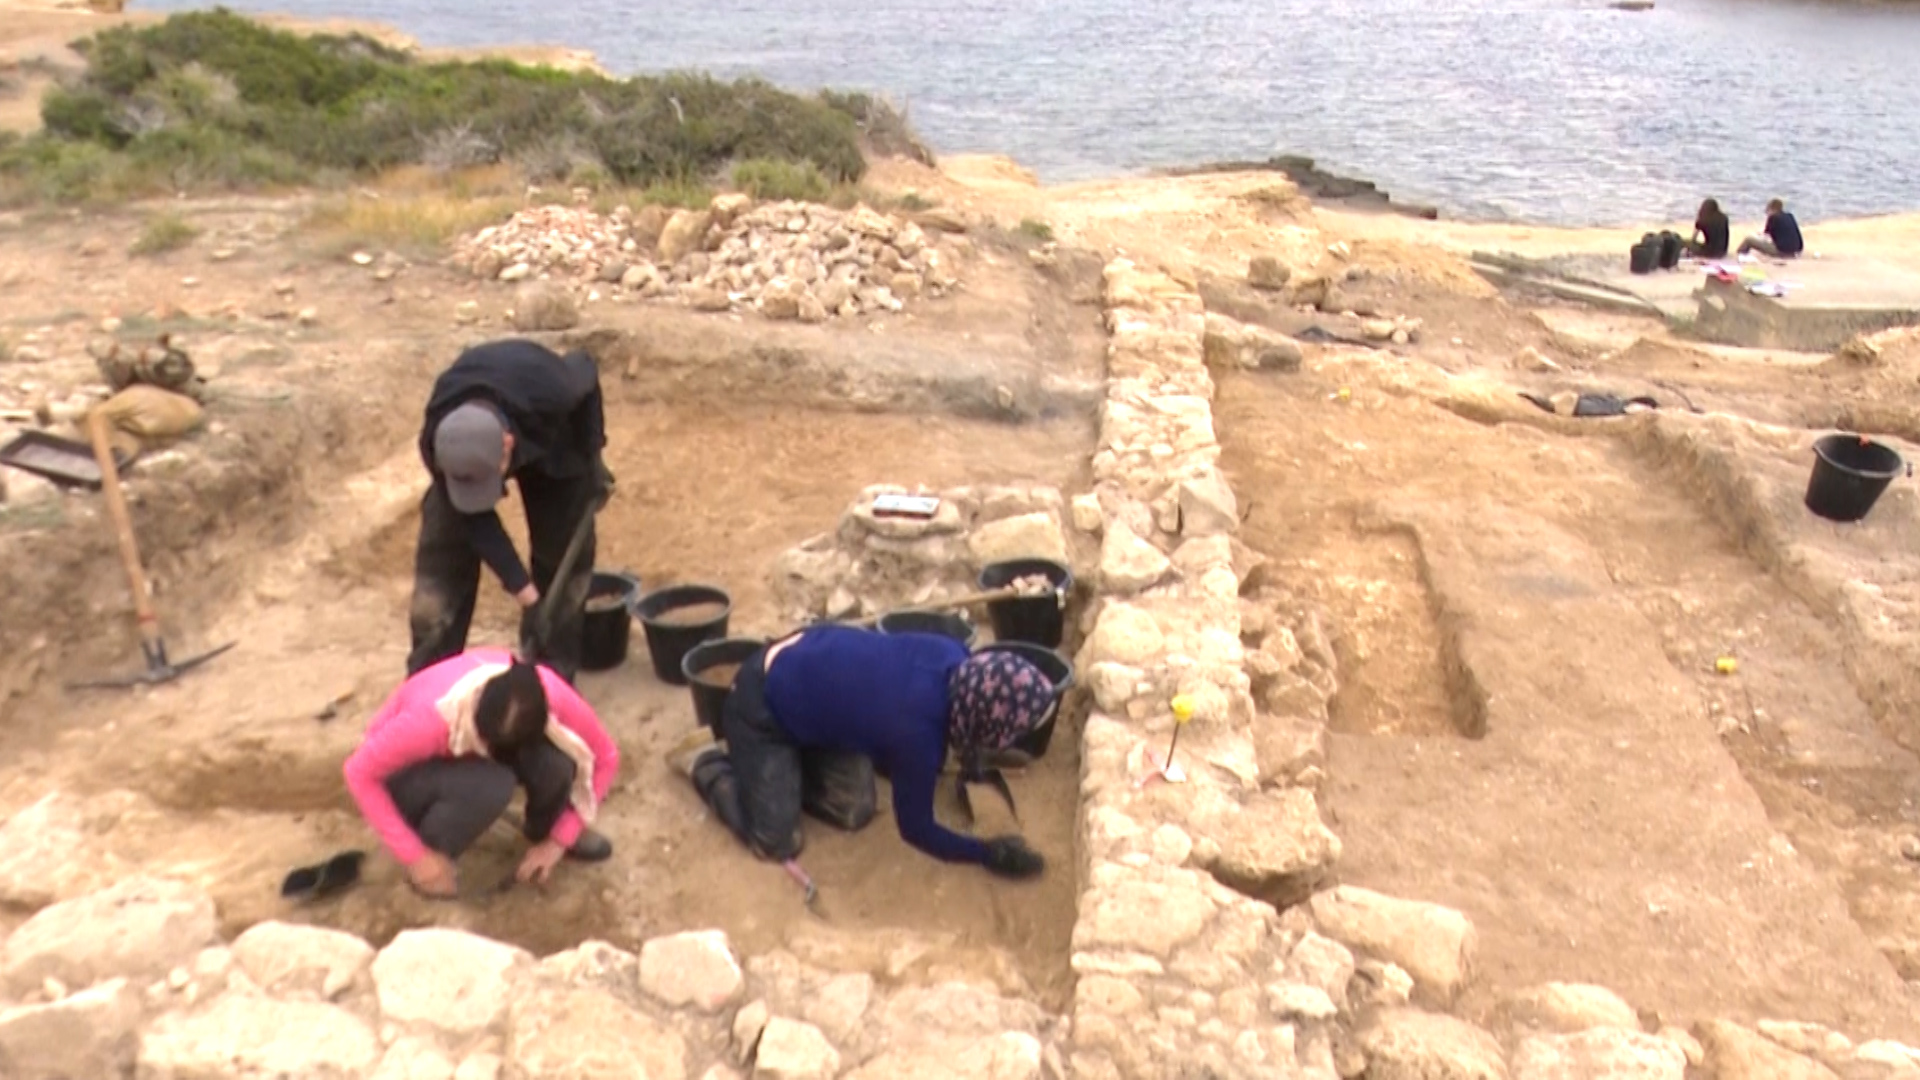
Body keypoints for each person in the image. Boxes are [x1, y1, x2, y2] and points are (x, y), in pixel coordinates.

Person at [668, 625, 1053, 880]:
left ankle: (786, 768)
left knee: (855, 808)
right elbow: (916, 830)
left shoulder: (955, 655)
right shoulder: (917, 736)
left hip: (807, 660)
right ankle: (703, 759)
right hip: (760, 703)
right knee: (775, 840)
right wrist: (987, 854)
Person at [409, 339, 612, 681]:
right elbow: (476, 522)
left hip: (550, 438)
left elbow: (586, 368)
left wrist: (592, 453)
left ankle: (550, 678)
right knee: (441, 565)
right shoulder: (439, 441)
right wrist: (526, 594)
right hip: (494, 414)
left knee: (563, 560)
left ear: (507, 446)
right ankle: (431, 680)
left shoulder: (555, 390)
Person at [343, 647, 620, 899]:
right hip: (409, 775)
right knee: (492, 786)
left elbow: (606, 757)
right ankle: (433, 857)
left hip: (480, 749)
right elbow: (358, 773)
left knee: (556, 763)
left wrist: (559, 839)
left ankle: (545, 828)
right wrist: (416, 856)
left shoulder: (547, 690)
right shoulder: (430, 719)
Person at [1737, 198, 1805, 259]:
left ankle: (1740, 256)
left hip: (1782, 251)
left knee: (1749, 240)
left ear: (1771, 208)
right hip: (1795, 251)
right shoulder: (1790, 216)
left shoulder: (1773, 217)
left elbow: (1766, 235)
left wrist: (1758, 235)